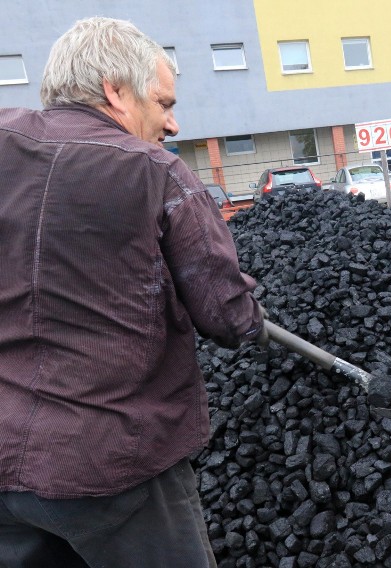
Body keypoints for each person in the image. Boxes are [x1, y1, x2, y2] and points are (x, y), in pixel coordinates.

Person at [0, 17, 268, 567]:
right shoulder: (155, 172)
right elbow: (227, 317)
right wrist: (248, 309)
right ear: (115, 91)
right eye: (164, 102)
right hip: (110, 464)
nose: (172, 123)